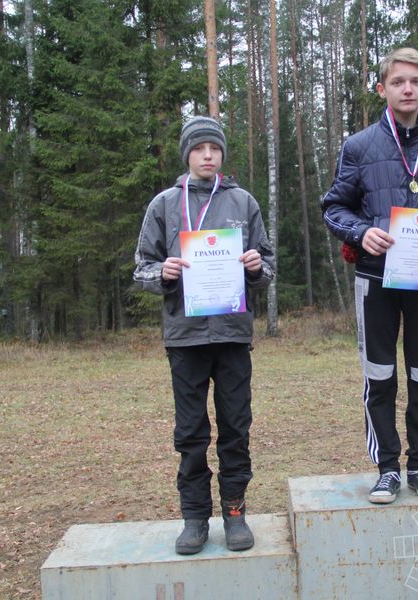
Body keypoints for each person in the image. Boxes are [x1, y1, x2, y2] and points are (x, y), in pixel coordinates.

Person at [321, 48, 418, 504]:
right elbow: (334, 207)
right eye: (398, 81)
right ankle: (387, 467)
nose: (407, 89)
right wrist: (361, 231)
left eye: (415, 81)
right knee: (380, 374)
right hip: (375, 279)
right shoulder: (360, 146)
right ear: (383, 88)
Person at [134, 116, 274, 554]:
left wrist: (256, 269)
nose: (208, 155)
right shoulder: (163, 205)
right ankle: (194, 517)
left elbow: (268, 266)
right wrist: (164, 272)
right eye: (199, 149)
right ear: (187, 155)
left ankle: (235, 512)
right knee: (191, 432)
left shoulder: (243, 202)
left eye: (215, 148)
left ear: (223, 154)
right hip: (185, 338)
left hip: (233, 335)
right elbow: (141, 268)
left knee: (236, 427)